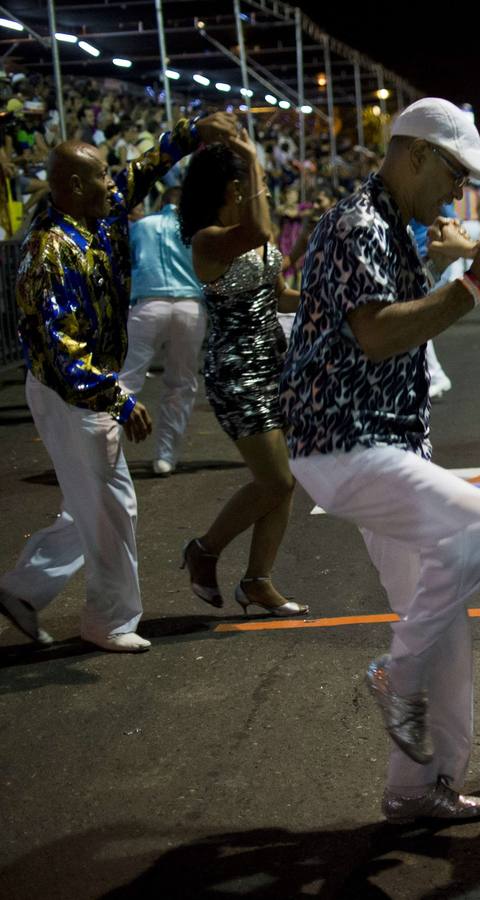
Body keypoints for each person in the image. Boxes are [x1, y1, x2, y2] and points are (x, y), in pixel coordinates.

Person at [280, 97, 480, 823]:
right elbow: (378, 335)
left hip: (379, 442)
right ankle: (395, 672)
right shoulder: (360, 223)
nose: (459, 190)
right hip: (347, 444)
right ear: (414, 154)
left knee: (441, 620)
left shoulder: (390, 223)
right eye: (453, 173)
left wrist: (459, 269)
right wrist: (473, 285)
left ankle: (416, 790)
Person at [0, 113, 238, 653]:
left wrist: (197, 132)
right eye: (102, 175)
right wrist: (119, 400)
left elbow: (149, 165)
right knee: (113, 503)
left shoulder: (98, 210)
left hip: (82, 388)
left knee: (91, 502)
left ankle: (22, 591)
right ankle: (107, 619)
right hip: (70, 393)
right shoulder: (48, 252)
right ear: (74, 185)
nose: (115, 183)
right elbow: (62, 351)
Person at [178, 132, 306, 617]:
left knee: (284, 479)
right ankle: (204, 550)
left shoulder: (253, 240)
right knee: (276, 481)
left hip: (274, 365)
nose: (265, 196)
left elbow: (280, 296)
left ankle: (257, 581)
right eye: (255, 186)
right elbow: (256, 231)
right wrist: (253, 156)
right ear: (233, 189)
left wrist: (329, 300)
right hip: (235, 372)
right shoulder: (209, 241)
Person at [119, 185, 206, 477]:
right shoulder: (197, 229)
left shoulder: (142, 225)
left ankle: (106, 454)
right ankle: (165, 456)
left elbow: (125, 263)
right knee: (181, 383)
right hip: (190, 306)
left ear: (161, 202)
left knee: (126, 380)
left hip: (148, 304)